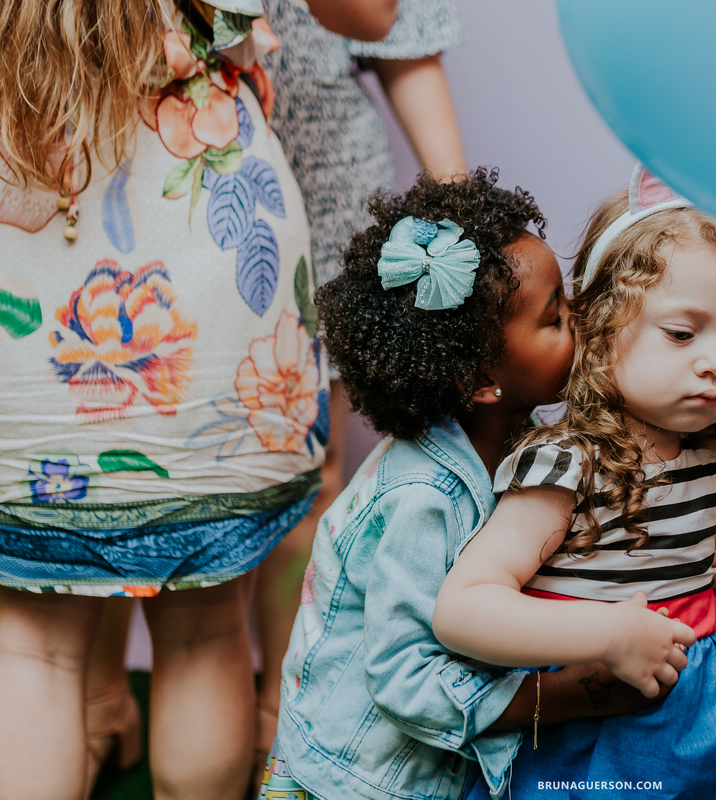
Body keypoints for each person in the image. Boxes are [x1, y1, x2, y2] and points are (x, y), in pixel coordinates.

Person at [0, 1, 394, 798]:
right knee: (206, 630)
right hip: (212, 266)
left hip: (30, 243)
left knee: (31, 649)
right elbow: (371, 15)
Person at [259, 169, 696, 800]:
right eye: (556, 318)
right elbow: (405, 679)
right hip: (355, 783)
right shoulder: (421, 498)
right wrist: (566, 696)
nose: (581, 323)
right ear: (481, 381)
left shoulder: (526, 442)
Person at [433, 165, 716, 799]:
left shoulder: (700, 459)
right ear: (601, 331)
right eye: (682, 334)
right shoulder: (565, 464)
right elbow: (461, 609)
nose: (715, 361)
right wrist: (606, 634)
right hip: (590, 743)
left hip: (700, 732)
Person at [254, 0, 468, 766]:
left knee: (310, 483)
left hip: (322, 194)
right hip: (149, 189)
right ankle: (100, 697)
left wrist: (462, 209)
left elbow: (396, 34)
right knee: (128, 494)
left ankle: (282, 716)